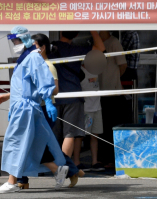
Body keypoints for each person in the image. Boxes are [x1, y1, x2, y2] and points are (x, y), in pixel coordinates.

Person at [0, 27, 81, 189]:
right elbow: (22, 85)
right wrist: (11, 101)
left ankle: (13, 181)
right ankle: (64, 172)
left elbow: (44, 81)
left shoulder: (32, 58)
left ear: (25, 40)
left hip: (27, 108)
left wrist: (48, 101)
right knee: (39, 144)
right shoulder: (26, 57)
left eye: (16, 41)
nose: (14, 44)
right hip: (25, 107)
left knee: (18, 142)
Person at [49, 31, 105, 169]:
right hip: (73, 95)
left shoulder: (50, 47)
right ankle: (64, 166)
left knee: (53, 134)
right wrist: (93, 31)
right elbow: (101, 48)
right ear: (75, 35)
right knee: (70, 134)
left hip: (53, 95)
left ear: (61, 32)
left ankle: (52, 164)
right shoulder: (77, 49)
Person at [97, 31, 127, 169]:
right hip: (100, 92)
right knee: (103, 128)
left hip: (113, 93)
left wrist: (114, 80)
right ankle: (104, 159)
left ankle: (113, 160)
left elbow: (123, 65)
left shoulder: (114, 42)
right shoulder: (96, 43)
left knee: (111, 127)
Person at [80, 64, 104, 172]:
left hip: (97, 107)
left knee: (95, 135)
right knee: (80, 137)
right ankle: (76, 161)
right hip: (86, 108)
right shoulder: (80, 70)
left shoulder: (97, 69)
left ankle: (94, 162)